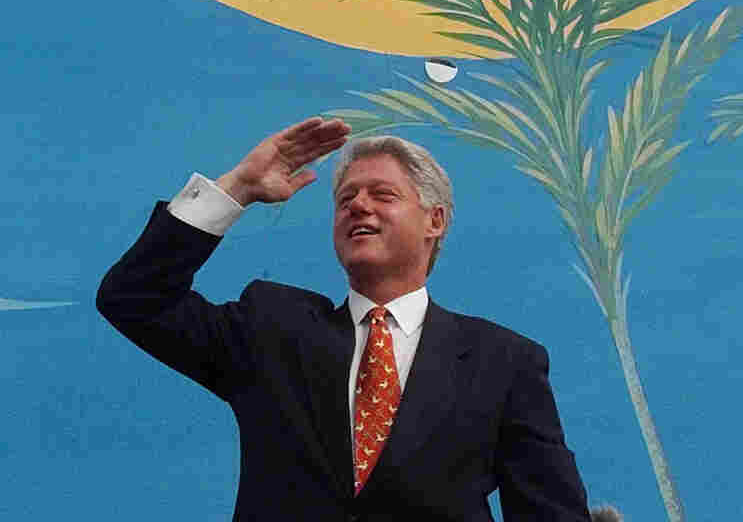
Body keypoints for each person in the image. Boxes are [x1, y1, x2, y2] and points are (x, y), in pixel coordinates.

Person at [97, 116, 591, 521]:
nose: (358, 205)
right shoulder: (272, 329)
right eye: (345, 199)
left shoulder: (504, 361)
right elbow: (135, 297)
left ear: (434, 221)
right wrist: (238, 188)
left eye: (383, 194)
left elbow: (550, 514)